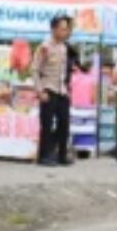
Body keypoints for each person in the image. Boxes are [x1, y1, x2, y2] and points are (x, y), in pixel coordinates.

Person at [31, 15, 74, 168]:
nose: (65, 31)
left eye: (66, 29)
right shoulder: (44, 46)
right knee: (47, 124)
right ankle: (44, 156)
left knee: (65, 122)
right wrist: (40, 90)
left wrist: (67, 89)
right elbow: (35, 70)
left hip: (61, 90)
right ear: (54, 29)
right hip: (48, 89)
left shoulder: (64, 47)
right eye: (62, 29)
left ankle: (61, 154)